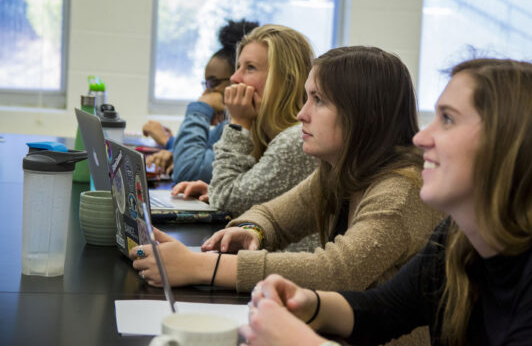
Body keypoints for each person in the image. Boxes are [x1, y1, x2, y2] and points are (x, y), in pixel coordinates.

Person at [241, 58, 532, 346]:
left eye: (447, 119)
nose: (421, 136)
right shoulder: (462, 231)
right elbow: (385, 309)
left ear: (510, 144)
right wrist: (310, 304)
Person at [130, 47, 443, 316]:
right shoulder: (339, 171)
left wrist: (201, 267)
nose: (301, 114)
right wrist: (251, 231)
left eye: (318, 100)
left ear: (364, 115)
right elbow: (271, 215)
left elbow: (335, 271)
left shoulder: (400, 193)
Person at [171, 24, 320, 215]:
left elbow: (225, 197)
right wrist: (214, 191)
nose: (234, 78)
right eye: (238, 67)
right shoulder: (263, 132)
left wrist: (239, 123)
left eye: (250, 68)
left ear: (285, 81)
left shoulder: (297, 140)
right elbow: (256, 199)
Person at [144, 19, 259, 180]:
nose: (206, 92)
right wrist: (172, 150)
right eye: (206, 83)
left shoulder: (251, 127)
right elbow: (205, 152)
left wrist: (201, 107)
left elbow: (189, 170)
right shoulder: (228, 124)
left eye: (213, 83)